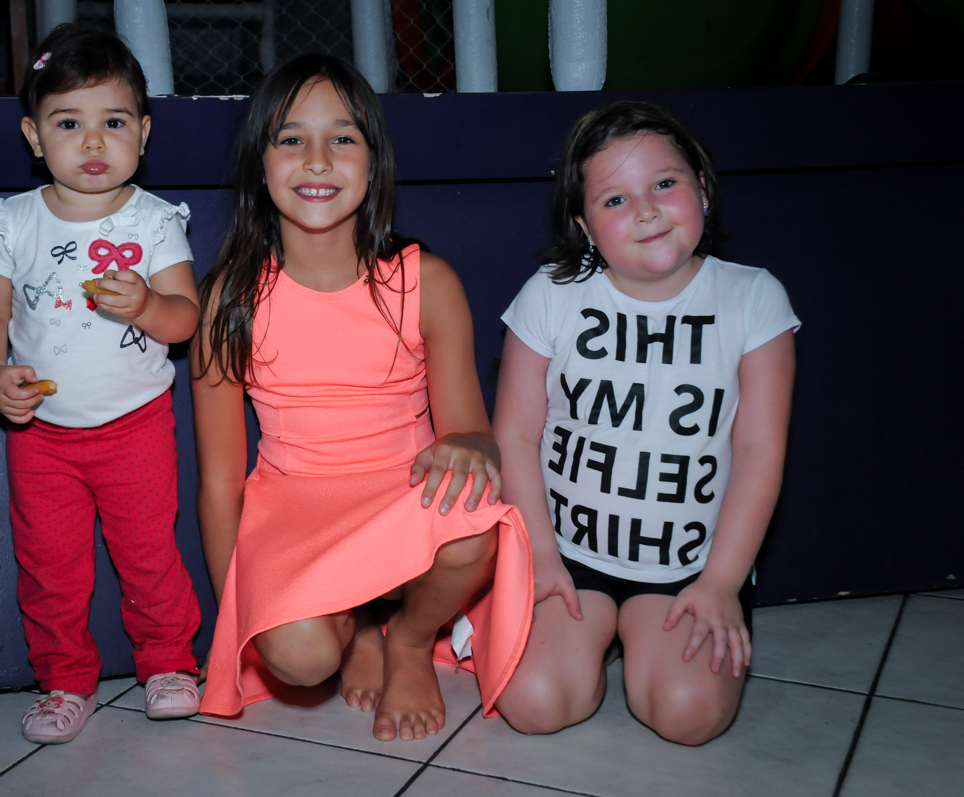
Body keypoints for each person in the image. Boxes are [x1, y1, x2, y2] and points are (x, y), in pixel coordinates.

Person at [193, 54, 534, 743]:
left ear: (373, 164)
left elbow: (471, 430)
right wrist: (241, 608)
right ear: (260, 166)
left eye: (342, 138)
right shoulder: (229, 297)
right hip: (295, 503)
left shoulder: (427, 282)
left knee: (476, 518)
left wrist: (469, 445)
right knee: (299, 656)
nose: (317, 159)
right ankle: (350, 635)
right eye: (291, 139)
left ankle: (407, 639)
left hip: (401, 487)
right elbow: (221, 480)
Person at [493, 100, 798, 744]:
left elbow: (760, 449)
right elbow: (516, 435)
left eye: (665, 183)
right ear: (583, 224)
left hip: (690, 563)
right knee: (535, 703)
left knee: (686, 715)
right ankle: (593, 640)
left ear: (704, 189)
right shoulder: (551, 293)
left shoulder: (753, 298)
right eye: (614, 200)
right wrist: (540, 559)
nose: (647, 209)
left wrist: (719, 582)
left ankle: (643, 637)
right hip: (569, 556)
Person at [0, 23, 203, 744]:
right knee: (50, 565)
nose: (93, 142)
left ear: (144, 133)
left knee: (149, 552)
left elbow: (185, 319)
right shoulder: (15, 221)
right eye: (71, 123)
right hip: (41, 433)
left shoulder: (155, 223)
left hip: (135, 424)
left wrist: (149, 306)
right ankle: (65, 679)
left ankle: (168, 663)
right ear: (36, 136)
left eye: (114, 122)